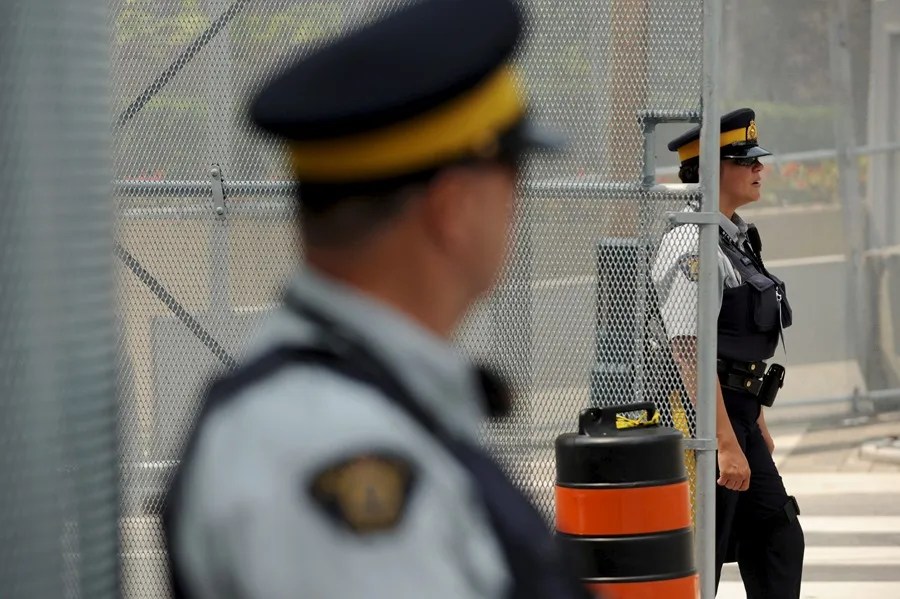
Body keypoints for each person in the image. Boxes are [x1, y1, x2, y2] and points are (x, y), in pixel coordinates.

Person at [162, 1, 591, 598]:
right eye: (511, 173)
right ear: (454, 209)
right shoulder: (334, 449)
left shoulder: (362, 400)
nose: (517, 201)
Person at [652, 108, 804, 597]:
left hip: (737, 412)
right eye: (745, 161)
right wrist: (724, 443)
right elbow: (689, 351)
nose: (760, 168)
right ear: (712, 169)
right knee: (704, 555)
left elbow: (737, 342)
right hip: (700, 416)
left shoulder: (732, 236)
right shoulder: (691, 241)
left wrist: (754, 420)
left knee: (778, 535)